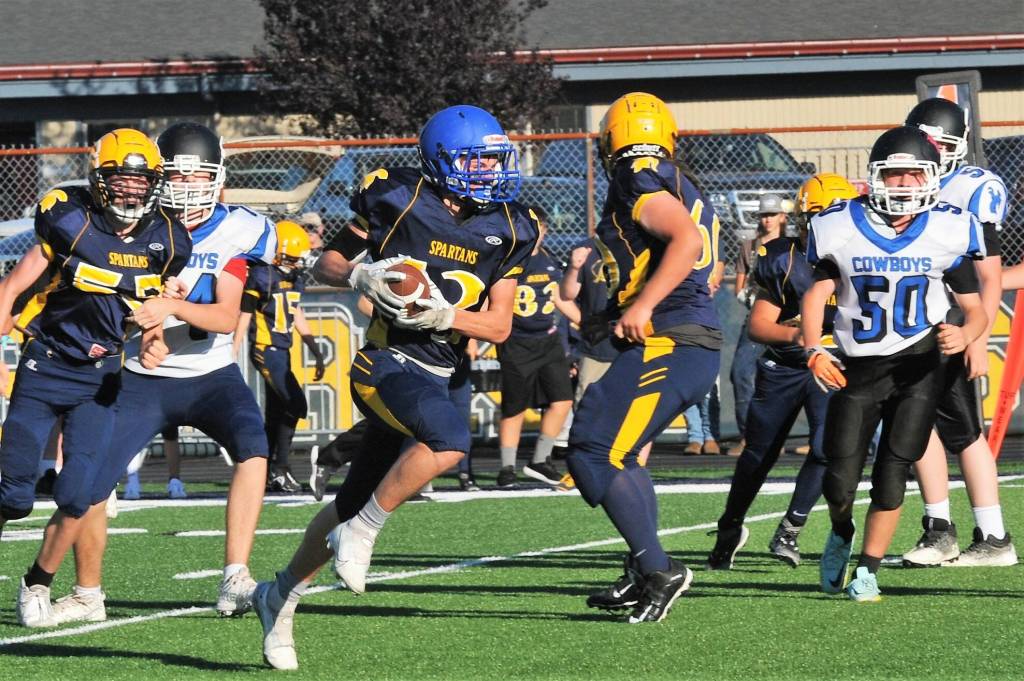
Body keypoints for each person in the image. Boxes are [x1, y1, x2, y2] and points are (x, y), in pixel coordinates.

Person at [251, 104, 536, 670]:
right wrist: (359, 274)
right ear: (440, 162)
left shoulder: (512, 226)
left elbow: (499, 325)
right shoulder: (397, 195)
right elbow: (326, 262)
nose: (491, 172)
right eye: (477, 162)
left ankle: (278, 596)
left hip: (439, 369)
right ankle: (363, 535)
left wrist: (441, 317)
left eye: (494, 160)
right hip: (385, 363)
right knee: (450, 440)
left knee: (347, 504)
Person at [17, 121, 278, 628]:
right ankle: (78, 589)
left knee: (254, 445)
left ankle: (235, 575)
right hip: (137, 372)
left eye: (197, 177)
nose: (186, 188)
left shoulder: (241, 229)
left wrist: (169, 312)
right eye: (175, 177)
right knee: (89, 487)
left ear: (217, 178)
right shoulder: (122, 225)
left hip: (209, 371)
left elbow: (230, 313)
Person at [0, 128, 192, 627]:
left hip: (101, 377)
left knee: (79, 494)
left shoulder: (168, 240)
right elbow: (14, 286)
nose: (130, 189)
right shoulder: (70, 218)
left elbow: (145, 315)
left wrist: (154, 336)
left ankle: (36, 583)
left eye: (140, 180)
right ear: (99, 179)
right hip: (46, 367)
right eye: (120, 180)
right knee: (14, 495)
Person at [801, 126, 988, 602]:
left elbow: (976, 305)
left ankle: (868, 571)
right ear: (875, 177)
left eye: (913, 174)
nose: (904, 184)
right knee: (838, 482)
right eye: (895, 174)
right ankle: (841, 531)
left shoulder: (950, 228)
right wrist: (813, 347)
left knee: (892, 472)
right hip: (858, 369)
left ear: (931, 177)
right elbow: (818, 292)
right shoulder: (839, 224)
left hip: (920, 367)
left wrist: (966, 333)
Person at [565, 92, 721, 624]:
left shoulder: (636, 174)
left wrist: (647, 303)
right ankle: (642, 566)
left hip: (671, 336)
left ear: (611, 139)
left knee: (591, 450)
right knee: (619, 451)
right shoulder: (678, 177)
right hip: (682, 336)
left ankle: (658, 567)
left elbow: (684, 239)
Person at [706, 173, 858, 570]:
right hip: (787, 366)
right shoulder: (782, 257)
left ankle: (790, 528)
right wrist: (804, 338)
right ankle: (730, 525)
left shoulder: (861, 258)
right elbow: (759, 327)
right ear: (808, 220)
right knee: (759, 454)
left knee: (826, 449)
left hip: (834, 366)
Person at [898, 98, 1016, 567]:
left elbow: (988, 274)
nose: (932, 151)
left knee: (964, 433)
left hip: (952, 323)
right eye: (924, 140)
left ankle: (993, 536)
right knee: (912, 427)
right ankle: (938, 529)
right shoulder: (899, 181)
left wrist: (977, 336)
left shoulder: (974, 187)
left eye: (940, 143)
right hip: (907, 323)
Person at [235, 219, 326, 493]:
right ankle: (280, 468)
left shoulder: (293, 277)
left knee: (276, 413)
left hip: (283, 351)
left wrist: (315, 350)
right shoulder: (262, 276)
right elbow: (246, 314)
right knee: (295, 404)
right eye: (290, 257)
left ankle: (265, 472)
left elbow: (296, 312)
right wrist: (232, 350)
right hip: (265, 348)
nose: (295, 263)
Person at [496, 205, 580, 489]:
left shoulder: (546, 258)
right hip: (516, 341)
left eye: (540, 230)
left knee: (562, 399)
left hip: (548, 339)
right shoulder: (508, 259)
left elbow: (558, 297)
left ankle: (540, 460)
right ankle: (507, 467)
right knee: (514, 406)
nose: (536, 236)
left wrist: (585, 322)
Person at [728, 193, 790, 456]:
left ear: (782, 217)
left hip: (788, 319)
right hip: (757, 317)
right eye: (764, 215)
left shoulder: (791, 246)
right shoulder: (750, 247)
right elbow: (740, 286)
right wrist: (749, 297)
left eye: (772, 214)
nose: (767, 220)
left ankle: (788, 437)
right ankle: (749, 436)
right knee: (741, 373)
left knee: (790, 379)